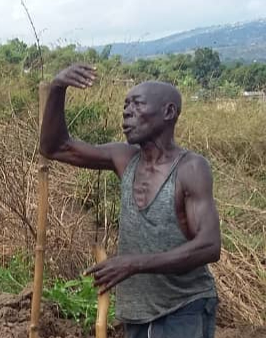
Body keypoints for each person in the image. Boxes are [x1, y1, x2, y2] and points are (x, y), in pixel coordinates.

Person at [39, 63, 221, 338]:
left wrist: (133, 263)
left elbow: (209, 246)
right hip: (137, 313)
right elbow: (54, 147)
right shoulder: (124, 158)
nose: (126, 112)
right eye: (125, 105)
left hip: (183, 309)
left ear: (168, 112)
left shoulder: (191, 168)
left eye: (136, 105)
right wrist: (57, 88)